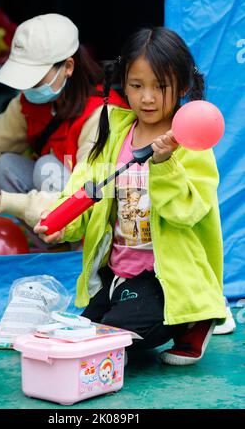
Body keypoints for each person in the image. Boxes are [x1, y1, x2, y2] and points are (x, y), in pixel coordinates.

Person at [35, 27, 226, 365]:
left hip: (164, 276)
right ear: (124, 83)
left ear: (182, 86)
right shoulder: (115, 133)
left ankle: (195, 316)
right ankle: (154, 313)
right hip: (118, 272)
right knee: (84, 334)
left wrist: (165, 166)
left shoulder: (191, 143)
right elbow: (83, 186)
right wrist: (63, 223)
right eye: (137, 86)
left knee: (109, 338)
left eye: (160, 87)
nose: (147, 98)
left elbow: (188, 212)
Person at [0, 14, 127, 234]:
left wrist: (3, 203)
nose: (28, 87)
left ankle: (71, 245)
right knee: (5, 165)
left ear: (68, 67)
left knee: (47, 167)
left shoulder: (103, 113)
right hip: (52, 204)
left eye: (35, 78)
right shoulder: (28, 105)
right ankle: (48, 244)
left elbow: (88, 191)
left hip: (93, 212)